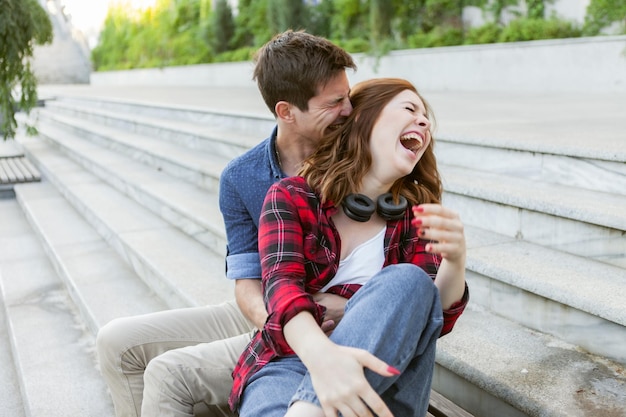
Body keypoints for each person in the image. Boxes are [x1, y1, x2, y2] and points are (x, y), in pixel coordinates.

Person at [95, 30, 357, 417]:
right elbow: (247, 282)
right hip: (271, 310)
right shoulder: (242, 177)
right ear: (286, 111)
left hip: (330, 314)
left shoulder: (359, 155)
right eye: (335, 102)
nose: (349, 110)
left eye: (347, 96)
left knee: (168, 376)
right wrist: (281, 320)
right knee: (116, 341)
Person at [229, 78, 469, 417]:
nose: (424, 121)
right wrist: (325, 362)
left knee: (409, 281)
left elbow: (432, 315)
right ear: (362, 118)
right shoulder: (292, 197)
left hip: (384, 381)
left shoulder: (416, 217)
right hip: (291, 364)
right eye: (410, 109)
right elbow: (282, 293)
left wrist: (456, 261)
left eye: (425, 117)